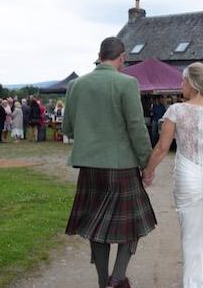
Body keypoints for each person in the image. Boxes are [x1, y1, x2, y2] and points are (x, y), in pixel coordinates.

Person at [63, 37, 156, 288]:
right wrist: (147, 163)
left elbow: (68, 128)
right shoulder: (127, 83)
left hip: (89, 168)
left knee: (96, 226)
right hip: (121, 167)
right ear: (122, 57)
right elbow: (136, 127)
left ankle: (104, 282)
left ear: (100, 55)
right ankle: (117, 278)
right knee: (133, 224)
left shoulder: (76, 85)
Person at [143, 62, 203, 288]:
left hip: (188, 172)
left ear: (193, 84)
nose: (180, 85)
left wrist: (148, 171)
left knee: (190, 231)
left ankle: (194, 283)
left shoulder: (176, 111)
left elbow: (161, 148)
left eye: (183, 80)